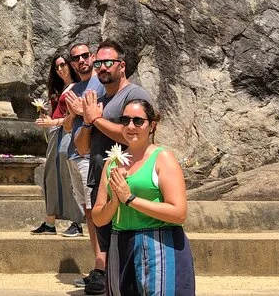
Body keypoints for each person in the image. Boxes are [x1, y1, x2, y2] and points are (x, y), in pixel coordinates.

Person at [92, 99, 196, 295]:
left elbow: (179, 213)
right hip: (120, 245)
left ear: (152, 125)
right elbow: (98, 218)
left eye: (138, 121)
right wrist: (115, 201)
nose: (131, 126)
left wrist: (130, 199)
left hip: (160, 244)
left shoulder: (163, 158)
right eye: (125, 120)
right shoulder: (112, 163)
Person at [74, 39, 152, 295]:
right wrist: (88, 122)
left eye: (108, 62)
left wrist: (96, 118)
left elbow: (133, 136)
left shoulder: (133, 96)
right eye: (98, 63)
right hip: (100, 179)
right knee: (107, 242)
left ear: (122, 65)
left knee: (127, 245)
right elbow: (82, 148)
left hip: (127, 180)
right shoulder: (100, 101)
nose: (102, 67)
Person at [62, 43, 106, 286]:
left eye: (85, 56)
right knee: (88, 213)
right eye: (76, 58)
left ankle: (102, 268)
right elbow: (68, 126)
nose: (81, 61)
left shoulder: (101, 83)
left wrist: (82, 111)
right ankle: (98, 266)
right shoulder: (75, 88)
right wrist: (74, 112)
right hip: (74, 153)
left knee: (96, 211)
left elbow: (100, 113)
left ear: (93, 57)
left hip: (91, 155)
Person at [31, 54, 83, 236]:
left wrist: (53, 122)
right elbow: (57, 113)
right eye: (57, 67)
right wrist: (47, 117)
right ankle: (50, 222)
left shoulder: (77, 88)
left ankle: (77, 222)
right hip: (55, 133)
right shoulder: (60, 89)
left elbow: (74, 116)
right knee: (51, 176)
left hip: (67, 133)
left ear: (70, 65)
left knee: (68, 175)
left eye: (63, 65)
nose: (60, 69)